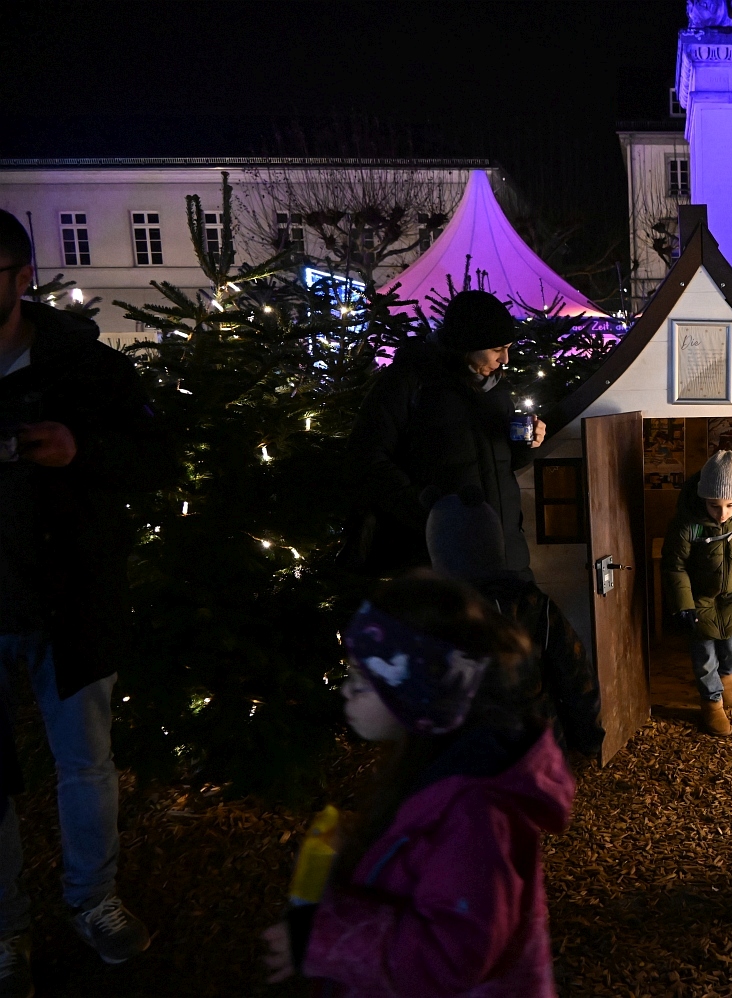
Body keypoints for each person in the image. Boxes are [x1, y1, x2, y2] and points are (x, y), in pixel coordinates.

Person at [261, 572, 574, 996]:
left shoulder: (474, 814)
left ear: (416, 692)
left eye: (361, 679)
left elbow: (452, 958)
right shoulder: (434, 771)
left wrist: (322, 938)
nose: (347, 692)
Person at [0, 209, 162, 994]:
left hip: (72, 598)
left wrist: (79, 450)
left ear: (23, 276)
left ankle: (93, 900)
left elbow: (155, 456)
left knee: (86, 766)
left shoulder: (84, 367)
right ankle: (5, 931)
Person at [347, 290, 545, 576]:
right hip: (437, 561)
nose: (505, 359)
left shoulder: (495, 391)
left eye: (508, 348)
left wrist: (528, 444)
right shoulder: (410, 383)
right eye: (497, 349)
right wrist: (432, 513)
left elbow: (500, 465)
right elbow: (367, 459)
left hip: (504, 560)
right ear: (466, 345)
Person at [424, 487, 605, 758]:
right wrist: (587, 739)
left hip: (461, 758)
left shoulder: (430, 614)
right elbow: (576, 674)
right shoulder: (530, 603)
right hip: (536, 750)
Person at [661, 450, 732, 737]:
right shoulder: (687, 522)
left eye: (729, 505)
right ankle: (711, 702)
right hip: (699, 598)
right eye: (714, 505)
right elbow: (674, 565)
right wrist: (683, 603)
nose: (722, 514)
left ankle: (727, 672)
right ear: (702, 498)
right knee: (704, 655)